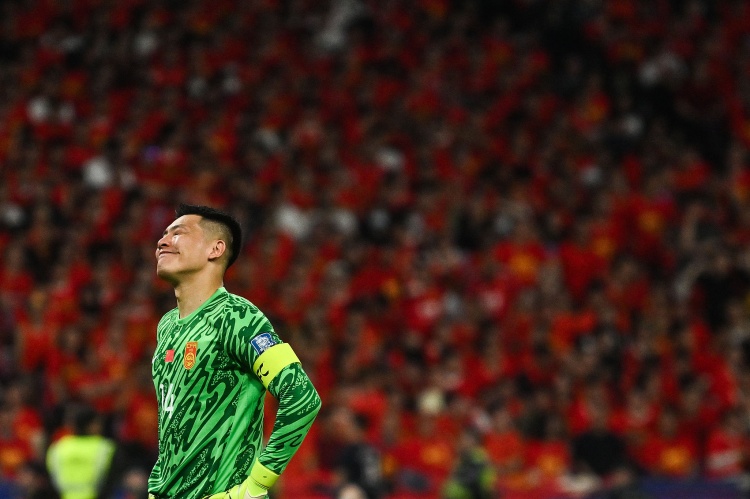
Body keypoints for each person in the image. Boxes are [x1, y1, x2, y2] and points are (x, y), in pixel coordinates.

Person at [147, 204, 322, 499]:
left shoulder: (237, 317)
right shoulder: (167, 325)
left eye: (178, 233)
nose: (162, 241)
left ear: (215, 249)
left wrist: (257, 485)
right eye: (163, 234)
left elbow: (302, 396)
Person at [46, 405, 117, 499]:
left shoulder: (57, 448)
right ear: (92, 425)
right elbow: (114, 480)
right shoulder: (105, 448)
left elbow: (50, 480)